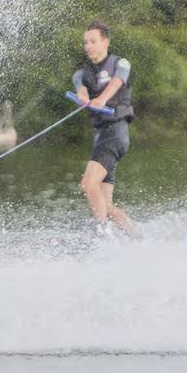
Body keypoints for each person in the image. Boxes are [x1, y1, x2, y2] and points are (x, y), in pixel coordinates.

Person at [72, 20, 136, 237]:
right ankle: (138, 238)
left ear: (105, 42)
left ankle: (102, 233)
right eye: (85, 43)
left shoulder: (121, 64)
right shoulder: (83, 74)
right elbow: (78, 83)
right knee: (105, 206)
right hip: (101, 138)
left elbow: (118, 81)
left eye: (93, 41)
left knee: (88, 183)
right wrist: (82, 94)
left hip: (115, 132)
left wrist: (102, 99)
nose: (88, 46)